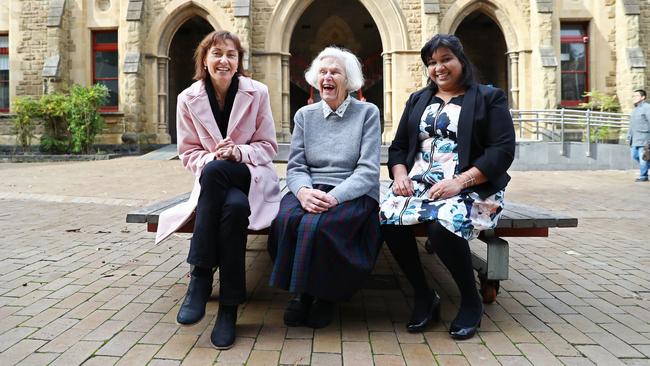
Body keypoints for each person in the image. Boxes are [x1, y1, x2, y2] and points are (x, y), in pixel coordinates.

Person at [379, 34, 515, 340]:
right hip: (420, 186)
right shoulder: (417, 100)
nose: (438, 68)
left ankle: (470, 300)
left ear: (461, 61)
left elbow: (502, 150)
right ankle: (424, 295)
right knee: (388, 220)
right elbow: (399, 147)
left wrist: (460, 181)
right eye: (432, 62)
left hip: (474, 187)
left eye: (445, 60)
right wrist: (400, 175)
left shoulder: (488, 98)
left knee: (443, 229)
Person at [154, 31, 281, 349]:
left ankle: (199, 274)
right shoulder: (187, 99)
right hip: (217, 185)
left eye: (231, 55)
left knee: (216, 173)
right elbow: (188, 153)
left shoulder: (258, 93)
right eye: (217, 53)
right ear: (204, 59)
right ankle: (227, 310)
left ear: (239, 62)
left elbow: (268, 147)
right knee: (233, 206)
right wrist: (215, 156)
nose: (224, 60)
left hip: (249, 175)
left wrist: (238, 152)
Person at [267, 47, 382, 329]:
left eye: (335, 72)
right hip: (311, 187)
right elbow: (295, 167)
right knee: (287, 219)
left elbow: (367, 171)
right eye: (323, 72)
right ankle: (302, 293)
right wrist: (304, 192)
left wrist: (333, 197)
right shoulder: (304, 116)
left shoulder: (367, 113)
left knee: (322, 225)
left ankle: (324, 296)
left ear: (349, 80)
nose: (327, 77)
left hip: (352, 190)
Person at [627, 89, 650, 182]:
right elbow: (632, 124)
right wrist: (628, 135)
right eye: (633, 96)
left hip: (644, 137)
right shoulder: (635, 109)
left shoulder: (647, 107)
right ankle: (645, 169)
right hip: (635, 138)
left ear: (643, 97)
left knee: (642, 157)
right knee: (634, 155)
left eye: (636, 96)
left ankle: (643, 176)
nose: (634, 98)